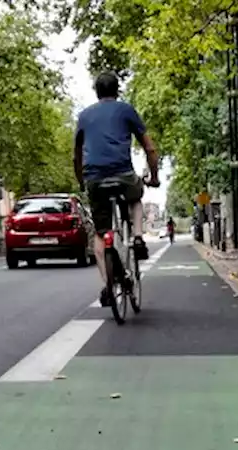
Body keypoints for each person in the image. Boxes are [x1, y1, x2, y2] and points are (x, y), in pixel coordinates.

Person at [74, 70, 160, 307]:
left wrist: (83, 182)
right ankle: (139, 237)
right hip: (123, 174)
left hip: (95, 179)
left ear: (96, 92)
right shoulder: (126, 110)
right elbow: (150, 149)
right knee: (135, 197)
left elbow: (76, 156)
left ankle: (108, 285)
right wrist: (154, 177)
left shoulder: (84, 116)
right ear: (117, 90)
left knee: (101, 234)